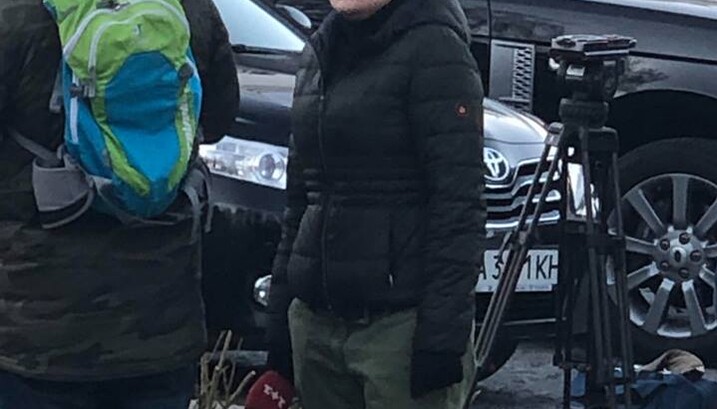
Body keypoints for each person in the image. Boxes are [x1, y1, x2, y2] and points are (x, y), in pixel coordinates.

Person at [0, 0, 237, 407]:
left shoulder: (14, 15)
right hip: (160, 326)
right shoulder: (190, 10)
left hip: (40, 335)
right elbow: (217, 118)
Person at [262, 0, 486, 407]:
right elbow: (300, 200)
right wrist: (280, 318)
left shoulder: (435, 49)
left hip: (397, 331)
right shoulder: (320, 51)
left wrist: (441, 338)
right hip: (316, 325)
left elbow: (458, 205)